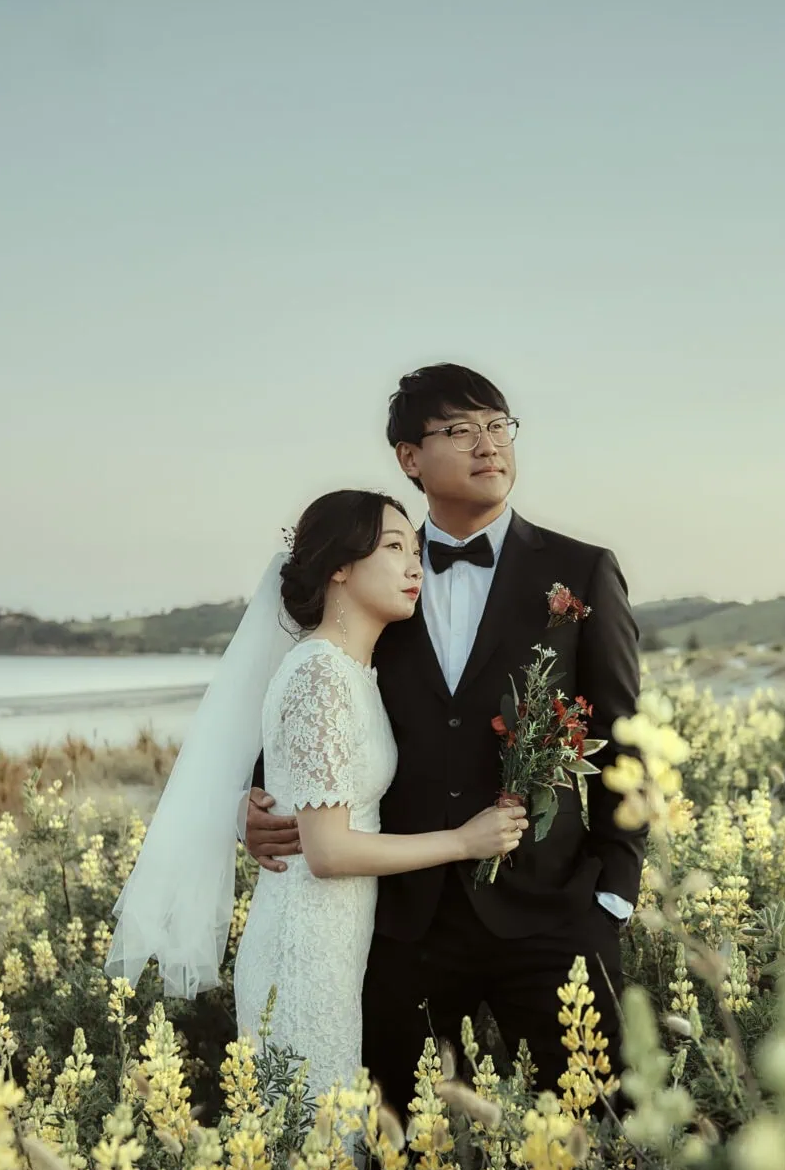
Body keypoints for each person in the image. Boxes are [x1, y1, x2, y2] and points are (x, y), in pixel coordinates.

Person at [244, 364, 644, 1110]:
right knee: (402, 1157)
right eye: (461, 430)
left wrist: (614, 893)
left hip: (554, 917)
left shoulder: (581, 571)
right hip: (403, 924)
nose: (488, 444)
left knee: (609, 1137)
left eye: (499, 425)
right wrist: (259, 797)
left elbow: (625, 741)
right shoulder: (375, 577)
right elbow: (321, 689)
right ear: (409, 458)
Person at [105, 488, 527, 1098]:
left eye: (416, 551)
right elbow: (327, 852)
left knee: (322, 1157)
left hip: (336, 949)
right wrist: (464, 841)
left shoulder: (351, 671)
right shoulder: (320, 674)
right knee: (312, 1154)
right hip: (302, 953)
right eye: (393, 548)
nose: (415, 567)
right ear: (338, 565)